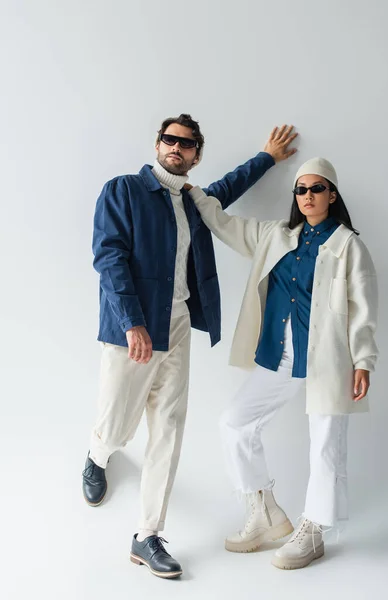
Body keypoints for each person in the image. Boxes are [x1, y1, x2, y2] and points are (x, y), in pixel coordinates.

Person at [82, 115, 298, 579]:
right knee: (117, 423)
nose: (176, 147)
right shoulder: (124, 190)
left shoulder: (194, 200)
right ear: (157, 144)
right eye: (169, 139)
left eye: (186, 143)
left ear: (196, 154)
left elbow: (232, 184)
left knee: (169, 428)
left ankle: (147, 535)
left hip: (178, 324)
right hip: (133, 326)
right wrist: (132, 322)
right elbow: (109, 255)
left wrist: (269, 157)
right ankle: (99, 455)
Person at [187, 148, 378, 570]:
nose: (307, 195)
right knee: (234, 422)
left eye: (316, 189)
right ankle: (265, 512)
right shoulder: (276, 234)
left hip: (329, 355)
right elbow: (225, 224)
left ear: (332, 194)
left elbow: (363, 307)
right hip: (280, 351)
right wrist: (195, 195)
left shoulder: (348, 246)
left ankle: (314, 530)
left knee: (326, 444)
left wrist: (364, 360)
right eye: (301, 190)